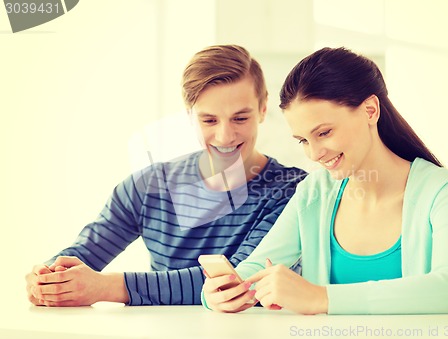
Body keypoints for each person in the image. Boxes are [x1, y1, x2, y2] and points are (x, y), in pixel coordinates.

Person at [202, 47, 448, 315]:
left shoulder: (443, 191)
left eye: (324, 132)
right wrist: (218, 293)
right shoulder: (314, 193)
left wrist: (321, 298)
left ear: (370, 110)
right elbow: (253, 269)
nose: (314, 154)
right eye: (304, 140)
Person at [25, 44, 307, 307]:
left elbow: (237, 281)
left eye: (240, 118)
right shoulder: (147, 187)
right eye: (209, 120)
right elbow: (81, 256)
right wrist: (49, 278)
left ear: (262, 108)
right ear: (189, 115)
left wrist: (106, 287)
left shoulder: (293, 191)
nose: (225, 135)